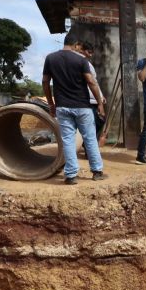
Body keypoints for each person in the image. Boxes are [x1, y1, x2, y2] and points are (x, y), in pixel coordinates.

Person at [42, 32, 106, 184]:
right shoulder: (81, 60)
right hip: (83, 107)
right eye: (79, 47)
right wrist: (100, 104)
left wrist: (51, 103)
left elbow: (45, 82)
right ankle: (97, 171)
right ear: (76, 45)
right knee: (90, 138)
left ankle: (71, 176)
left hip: (63, 107)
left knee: (68, 141)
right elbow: (91, 82)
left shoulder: (50, 58)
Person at [79, 41, 105, 143]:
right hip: (87, 100)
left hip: (94, 99)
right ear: (82, 50)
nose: (90, 55)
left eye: (91, 53)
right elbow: (90, 82)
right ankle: (87, 146)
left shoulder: (88, 64)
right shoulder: (80, 63)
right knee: (93, 123)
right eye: (88, 52)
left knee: (100, 121)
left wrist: (101, 96)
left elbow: (95, 82)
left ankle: (87, 144)